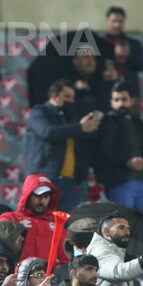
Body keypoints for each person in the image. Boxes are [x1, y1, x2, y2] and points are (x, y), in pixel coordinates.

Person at [24, 79, 100, 213]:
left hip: (69, 182)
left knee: (66, 228)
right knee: (41, 223)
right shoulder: (39, 111)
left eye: (72, 97)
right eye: (67, 97)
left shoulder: (68, 118)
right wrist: (80, 127)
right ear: (54, 95)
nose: (71, 101)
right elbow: (47, 132)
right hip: (45, 178)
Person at [97, 82, 143, 217]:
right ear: (111, 102)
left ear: (131, 101)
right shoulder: (107, 122)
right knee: (123, 226)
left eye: (124, 99)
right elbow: (105, 152)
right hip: (120, 183)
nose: (120, 104)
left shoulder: (138, 123)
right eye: (116, 100)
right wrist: (127, 162)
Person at [0, 174, 68, 265]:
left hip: (48, 277)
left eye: (46, 197)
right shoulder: (10, 218)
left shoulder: (57, 224)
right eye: (38, 196)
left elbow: (65, 259)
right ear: (27, 195)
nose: (42, 201)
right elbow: (0, 252)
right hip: (17, 276)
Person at [103, 6, 143, 94]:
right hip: (106, 92)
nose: (117, 25)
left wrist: (128, 55)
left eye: (120, 21)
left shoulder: (134, 44)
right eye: (114, 21)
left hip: (131, 91)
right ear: (107, 21)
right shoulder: (99, 44)